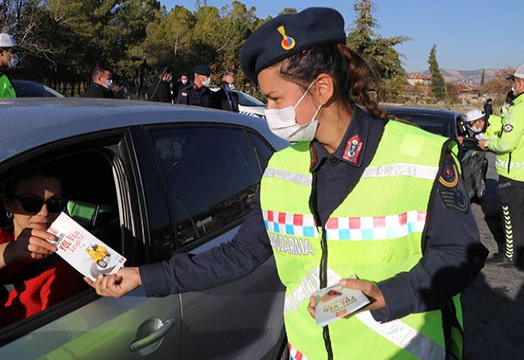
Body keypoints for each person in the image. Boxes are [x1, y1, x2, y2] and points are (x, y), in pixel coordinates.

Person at [87, 7, 486, 359]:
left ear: (322, 88)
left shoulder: (420, 155)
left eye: (275, 99)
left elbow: (461, 253)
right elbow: (239, 255)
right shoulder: (280, 169)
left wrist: (387, 294)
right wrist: (145, 276)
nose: (270, 111)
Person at [0, 167, 86, 345]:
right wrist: (14, 250)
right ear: (8, 203)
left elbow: (59, 333)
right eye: (30, 202)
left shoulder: (70, 258)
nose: (44, 213)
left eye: (54, 203)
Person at [480, 64, 524, 269]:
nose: (513, 85)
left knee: (510, 215)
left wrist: (487, 143)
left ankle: (510, 255)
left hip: (513, 174)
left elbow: (506, 143)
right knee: (520, 216)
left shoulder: (519, 109)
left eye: (515, 81)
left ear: (522, 83)